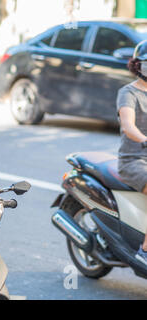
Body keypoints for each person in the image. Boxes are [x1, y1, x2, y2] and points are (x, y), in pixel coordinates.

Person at [116, 40, 147, 266]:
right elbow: (128, 126)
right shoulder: (128, 93)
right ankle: (145, 250)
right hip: (134, 160)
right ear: (138, 65)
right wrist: (145, 140)